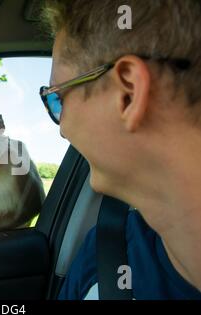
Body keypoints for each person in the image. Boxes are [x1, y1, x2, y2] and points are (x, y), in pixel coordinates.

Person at [39, 0, 201, 299]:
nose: (61, 129)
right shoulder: (105, 251)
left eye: (57, 99)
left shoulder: (107, 261)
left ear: (128, 93)